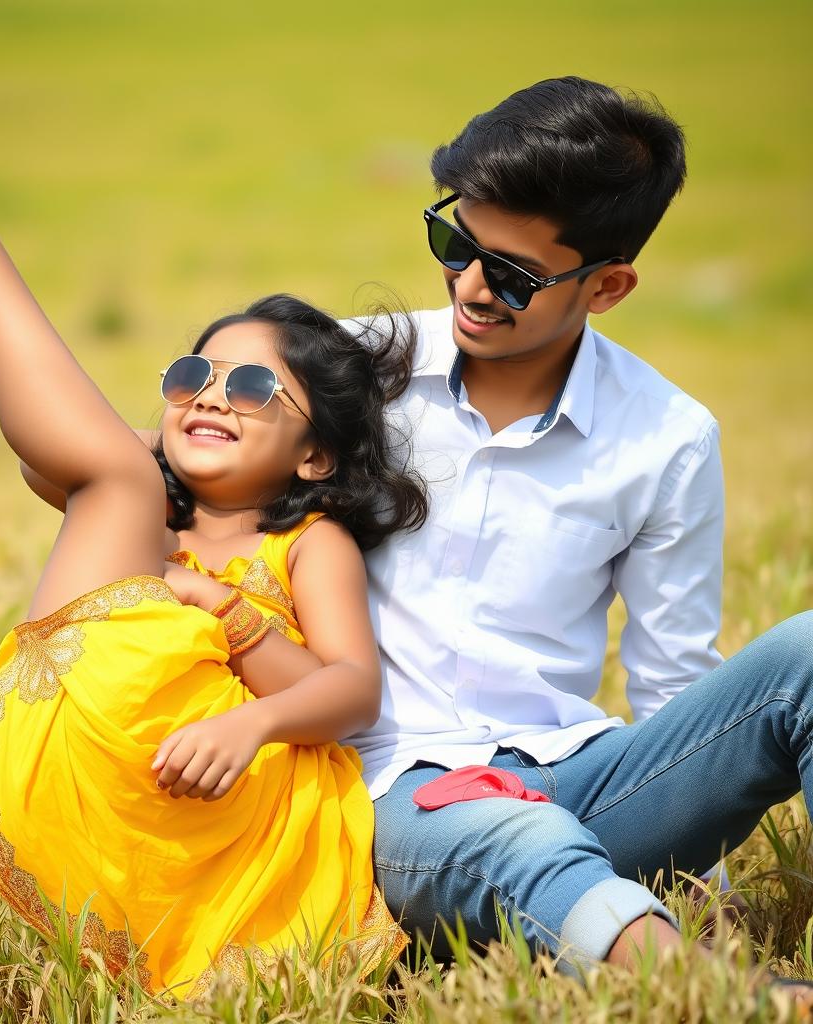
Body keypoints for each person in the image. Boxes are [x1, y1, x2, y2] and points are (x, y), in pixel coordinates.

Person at [0, 97, 428, 998]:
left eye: (248, 386)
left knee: (115, 476)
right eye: (191, 376)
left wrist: (230, 639)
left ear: (315, 454)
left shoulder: (308, 545)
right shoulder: (142, 519)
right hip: (80, 759)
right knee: (117, 477)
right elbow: (61, 447)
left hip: (223, 807)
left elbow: (351, 692)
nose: (208, 397)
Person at [347, 75, 813, 978]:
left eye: (516, 274)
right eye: (456, 242)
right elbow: (140, 465)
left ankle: (601, 902)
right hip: (404, 794)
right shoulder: (354, 370)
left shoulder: (669, 435)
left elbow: (674, 679)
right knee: (516, 835)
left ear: (608, 287)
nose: (471, 287)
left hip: (586, 779)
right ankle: (717, 994)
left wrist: (693, 862)